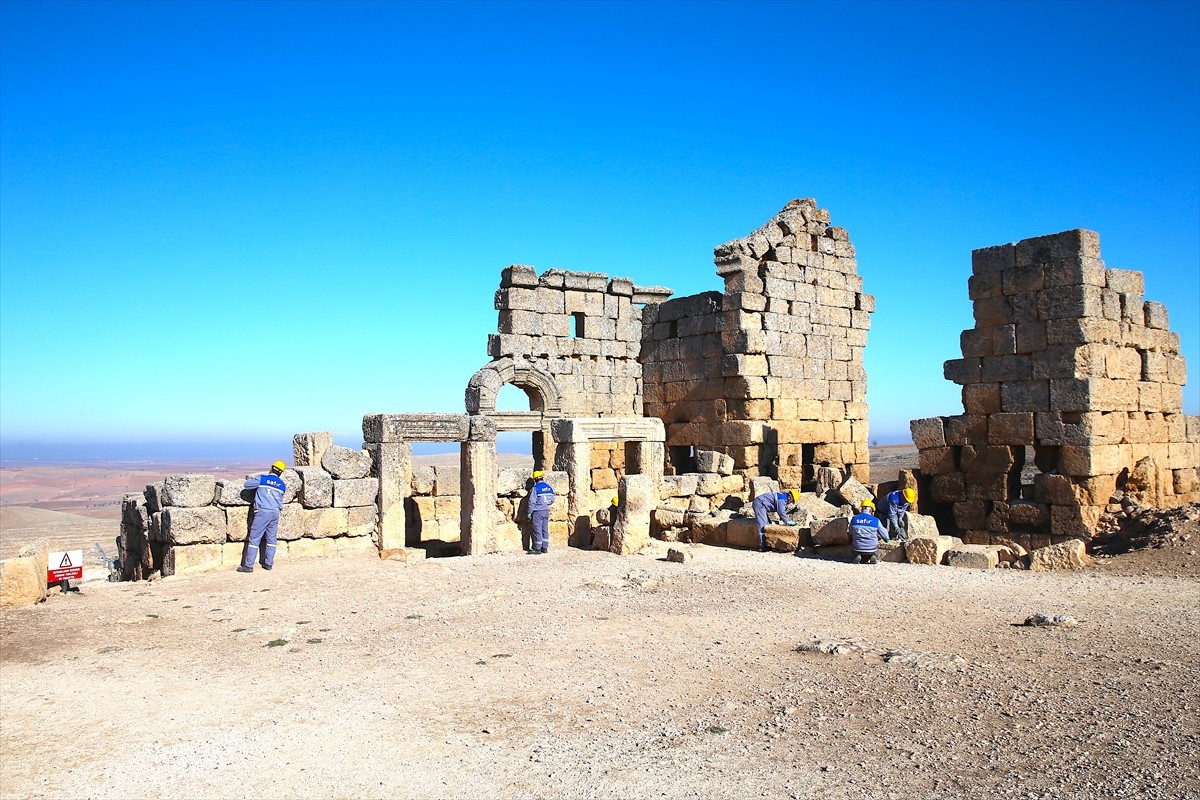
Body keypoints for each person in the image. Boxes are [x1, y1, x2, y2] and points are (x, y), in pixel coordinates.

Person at [238, 460, 287, 573]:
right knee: (271, 539)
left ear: (271, 468)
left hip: (262, 511)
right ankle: (268, 564)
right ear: (281, 473)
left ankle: (248, 565)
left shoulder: (263, 479)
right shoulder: (282, 485)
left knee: (254, 538)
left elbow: (247, 485)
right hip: (275, 512)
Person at [752, 488, 799, 552]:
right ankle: (762, 547)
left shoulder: (783, 496)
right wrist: (787, 521)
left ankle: (767, 544)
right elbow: (781, 512)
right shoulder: (782, 498)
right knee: (762, 525)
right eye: (792, 501)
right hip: (760, 504)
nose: (791, 503)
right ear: (790, 497)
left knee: (768, 524)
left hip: (762, 505)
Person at [850, 499, 889, 564]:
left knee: (855, 547)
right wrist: (887, 539)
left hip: (857, 547)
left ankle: (857, 556)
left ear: (862, 509)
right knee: (875, 549)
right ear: (871, 510)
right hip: (872, 548)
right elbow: (884, 534)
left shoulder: (854, 518)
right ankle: (873, 556)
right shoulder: (876, 520)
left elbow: (851, 531)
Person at [527, 470, 556, 555]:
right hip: (546, 510)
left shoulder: (535, 488)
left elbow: (531, 502)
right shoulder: (548, 487)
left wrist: (529, 513)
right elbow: (552, 500)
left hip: (538, 511)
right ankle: (545, 547)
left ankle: (537, 548)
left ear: (535, 479)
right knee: (545, 529)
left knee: (537, 529)